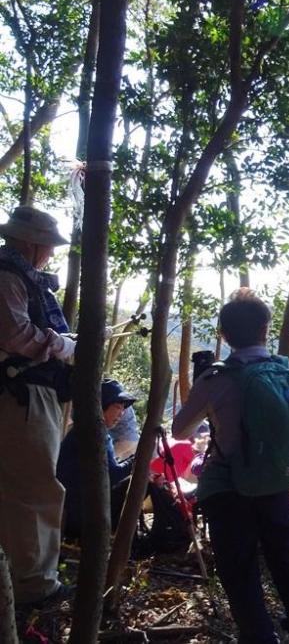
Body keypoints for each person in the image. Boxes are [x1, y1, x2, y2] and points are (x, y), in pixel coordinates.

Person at [172, 289, 289, 643]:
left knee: (239, 567)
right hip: (275, 479)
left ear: (223, 334)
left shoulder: (216, 378)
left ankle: (258, 635)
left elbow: (180, 430)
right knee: (285, 554)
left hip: (229, 486)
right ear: (266, 329)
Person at [0, 205, 76, 607]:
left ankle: (22, 576)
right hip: (23, 396)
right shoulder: (9, 276)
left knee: (22, 488)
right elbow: (18, 336)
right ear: (32, 244)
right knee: (36, 488)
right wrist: (64, 346)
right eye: (46, 246)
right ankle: (35, 584)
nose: (49, 254)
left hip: (24, 395)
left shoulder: (19, 276)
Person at [57, 380, 137, 539]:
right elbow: (112, 476)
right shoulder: (95, 433)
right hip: (80, 514)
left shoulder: (85, 428)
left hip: (71, 510)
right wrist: (137, 461)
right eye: (117, 407)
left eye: (123, 409)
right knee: (143, 484)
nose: (121, 414)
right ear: (102, 405)